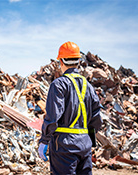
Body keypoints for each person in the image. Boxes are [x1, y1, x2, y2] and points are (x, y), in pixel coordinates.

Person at [38, 41, 102, 174]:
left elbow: (53, 117)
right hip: (85, 146)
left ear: (61, 61)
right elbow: (97, 119)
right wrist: (88, 141)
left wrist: (44, 140)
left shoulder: (59, 85)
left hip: (64, 146)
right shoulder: (89, 86)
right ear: (78, 62)